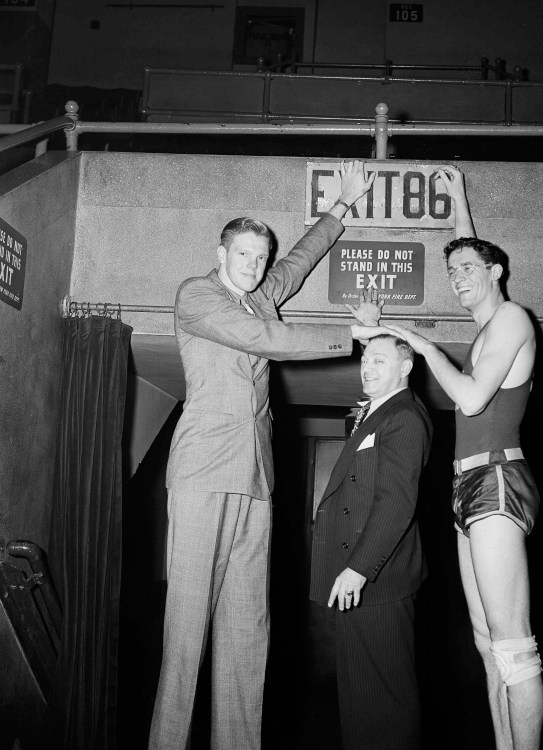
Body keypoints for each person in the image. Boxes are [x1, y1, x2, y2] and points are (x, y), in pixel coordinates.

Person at [148, 161, 385, 750]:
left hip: (256, 478)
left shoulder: (259, 295)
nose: (254, 267)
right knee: (186, 629)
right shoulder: (198, 296)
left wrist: (342, 205)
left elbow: (298, 263)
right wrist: (350, 336)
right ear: (220, 252)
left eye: (260, 258)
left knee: (247, 630)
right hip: (203, 473)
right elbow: (264, 340)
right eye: (244, 255)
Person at [387, 165, 543, 750]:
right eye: (450, 273)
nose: (456, 279)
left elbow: (475, 397)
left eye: (468, 271)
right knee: (486, 643)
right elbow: (469, 252)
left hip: (498, 479)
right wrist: (457, 199)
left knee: (512, 645)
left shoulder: (510, 319)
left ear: (497, 272)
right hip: (467, 485)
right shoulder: (484, 327)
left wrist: (424, 345)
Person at [309, 334, 432, 750]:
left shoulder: (404, 417)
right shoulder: (377, 414)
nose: (368, 366)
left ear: (406, 367)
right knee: (362, 699)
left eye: (380, 360)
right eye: (365, 359)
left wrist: (359, 569)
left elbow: (396, 503)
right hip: (356, 582)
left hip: (377, 582)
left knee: (385, 701)